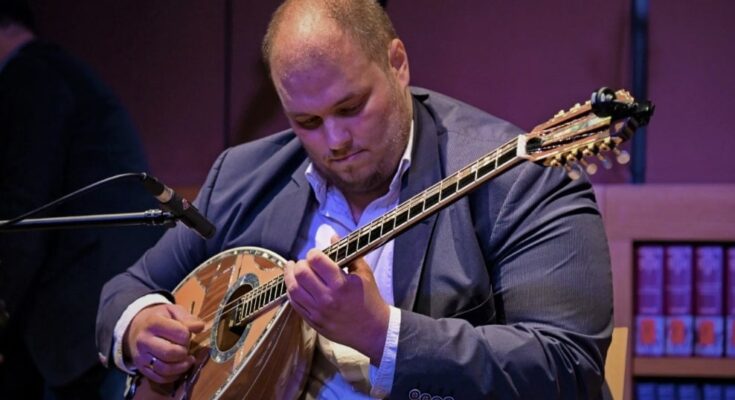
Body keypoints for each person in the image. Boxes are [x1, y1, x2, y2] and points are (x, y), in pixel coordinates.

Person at [96, 0, 614, 398]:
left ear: (397, 63)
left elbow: (569, 366)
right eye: (308, 122)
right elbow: (129, 288)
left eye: (351, 106)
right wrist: (138, 326)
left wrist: (382, 333)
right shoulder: (243, 177)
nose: (335, 140)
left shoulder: (520, 176)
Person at [0, 1, 164, 398]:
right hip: (89, 317)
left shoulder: (31, 75)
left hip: (93, 318)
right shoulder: (49, 71)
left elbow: (18, 214)